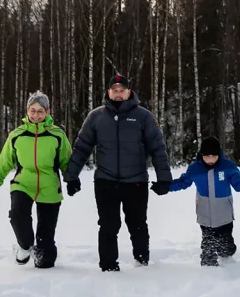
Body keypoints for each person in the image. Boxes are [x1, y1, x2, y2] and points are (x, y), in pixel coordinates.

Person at [63, 74, 173, 272]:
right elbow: (82, 148)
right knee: (108, 226)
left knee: (137, 224)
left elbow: (157, 149)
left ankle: (142, 263)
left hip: (136, 182)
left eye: (122, 90)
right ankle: (108, 267)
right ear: (108, 92)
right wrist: (71, 176)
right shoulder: (96, 117)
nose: (118, 94)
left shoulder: (143, 117)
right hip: (106, 182)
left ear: (129, 92)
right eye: (115, 90)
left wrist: (164, 178)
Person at [0, 92, 72, 269]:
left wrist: (71, 179)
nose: (36, 115)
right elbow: (5, 164)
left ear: (48, 112)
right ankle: (24, 246)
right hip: (23, 183)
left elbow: (66, 162)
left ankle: (42, 254)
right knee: (17, 215)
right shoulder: (17, 135)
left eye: (40, 111)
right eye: (32, 110)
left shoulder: (57, 135)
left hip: (50, 187)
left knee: (45, 259)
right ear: (27, 111)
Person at [153, 136, 240, 267]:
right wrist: (166, 187)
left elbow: (239, 183)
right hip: (205, 215)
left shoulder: (228, 168)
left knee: (225, 246)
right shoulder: (195, 169)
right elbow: (183, 182)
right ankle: (208, 267)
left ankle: (228, 257)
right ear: (201, 155)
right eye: (207, 156)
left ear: (219, 154)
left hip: (224, 215)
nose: (211, 160)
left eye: (214, 156)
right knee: (208, 244)